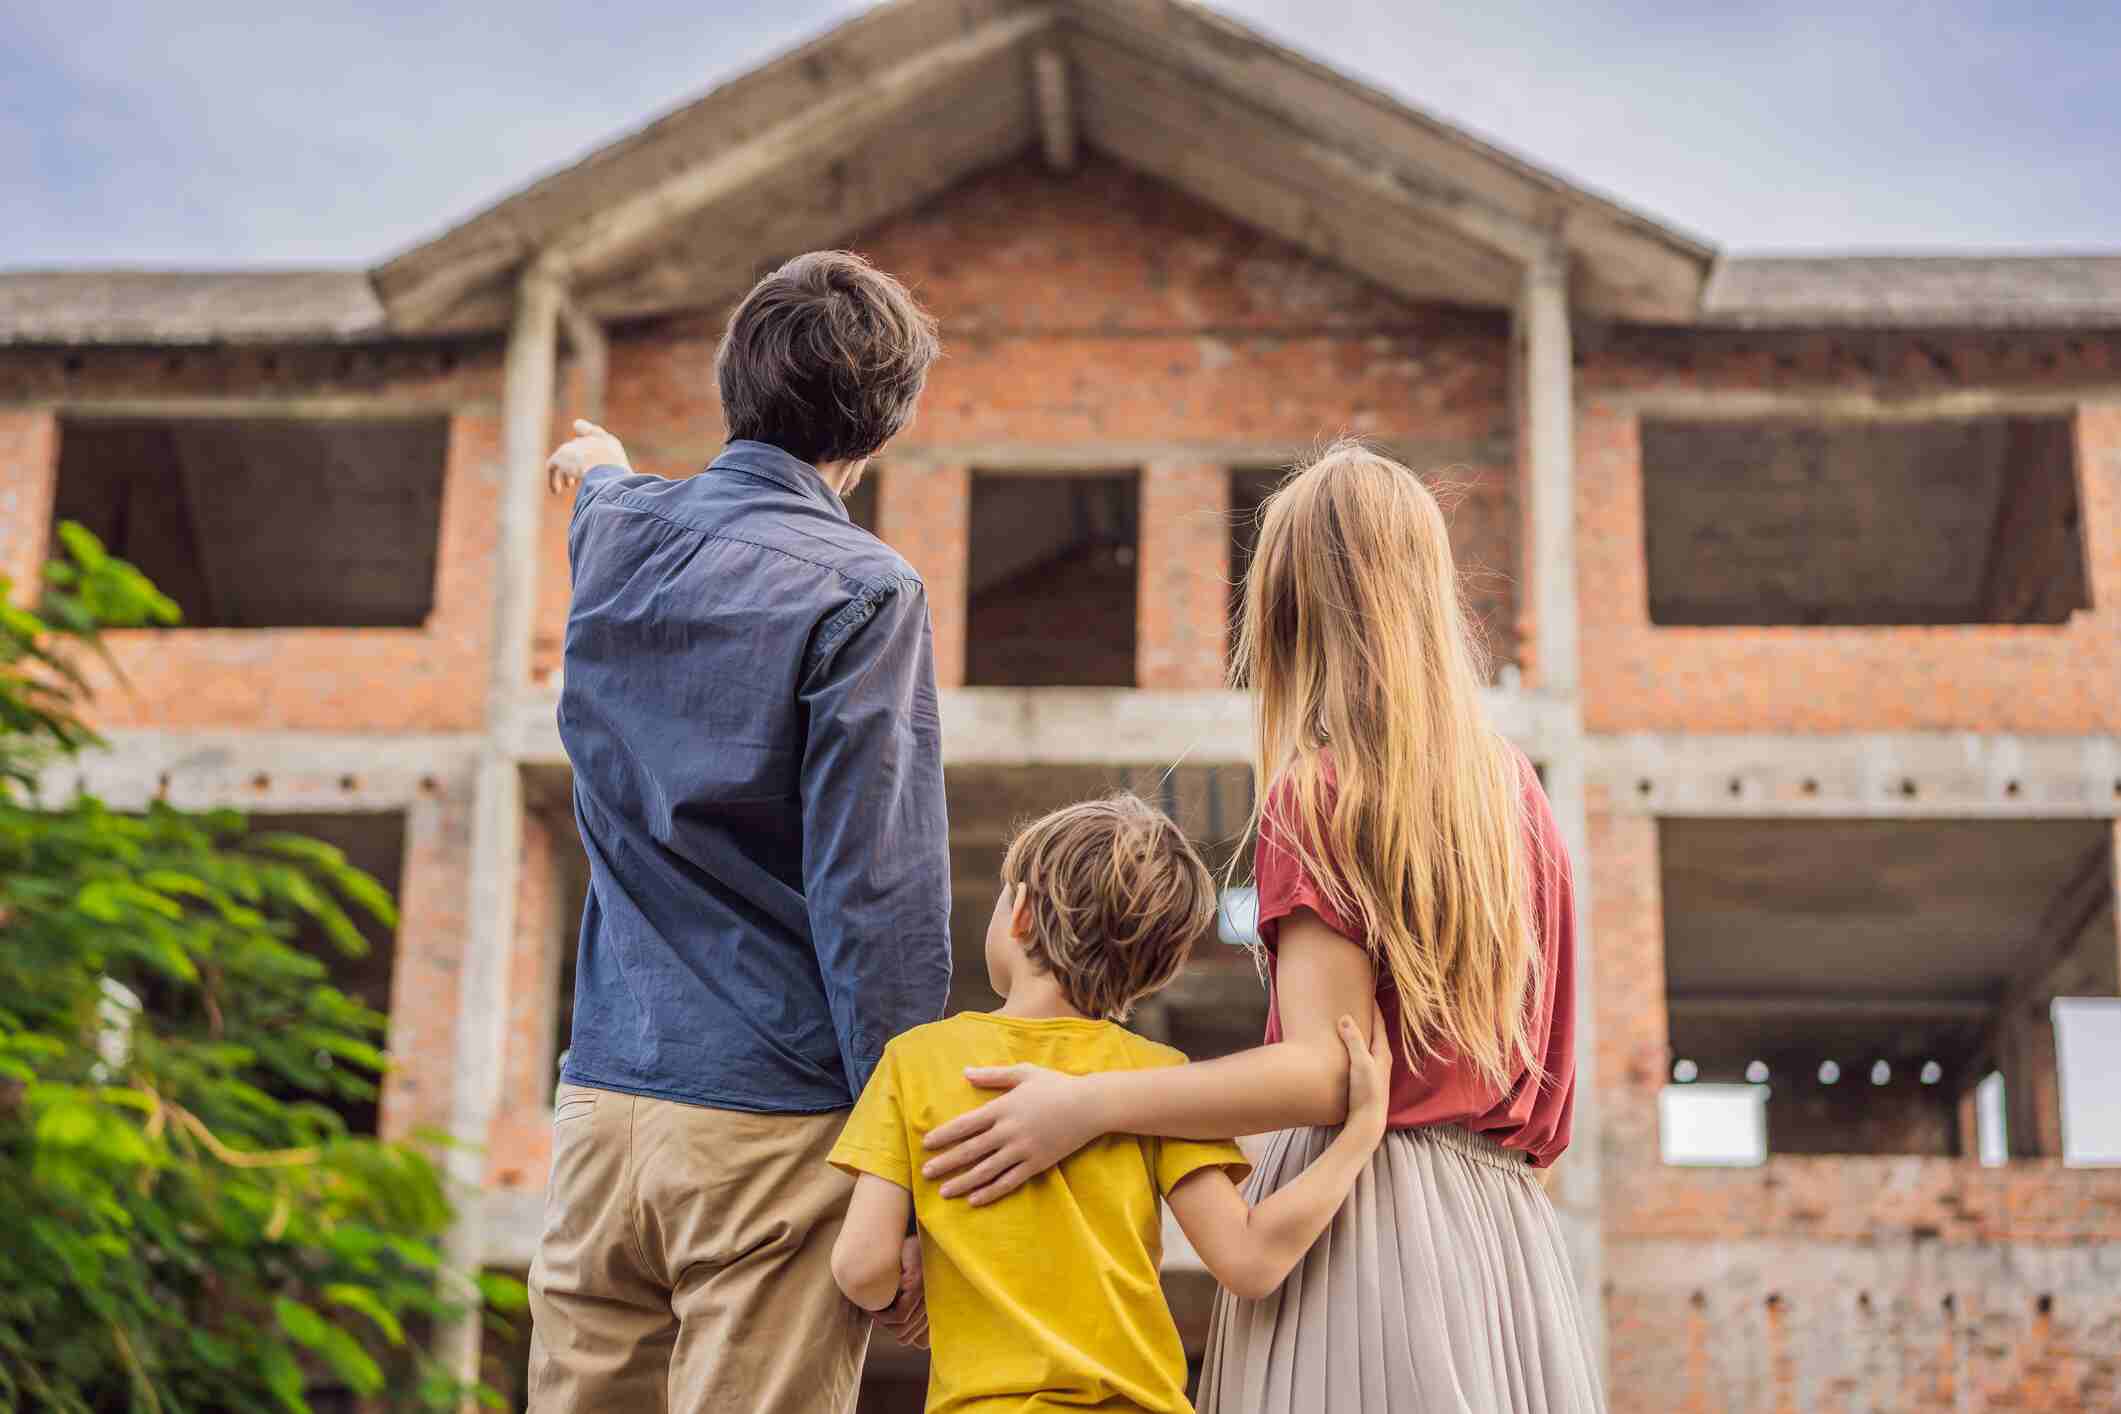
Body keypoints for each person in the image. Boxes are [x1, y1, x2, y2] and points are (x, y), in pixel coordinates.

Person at [919, 441, 1604, 1411]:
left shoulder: (1323, 790)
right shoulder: (1513, 790)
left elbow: (1327, 1067)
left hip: (1365, 1227)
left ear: (1286, 607)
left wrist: (1089, 1101)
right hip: (1500, 1237)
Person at [528, 250, 952, 1413]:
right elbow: (879, 899)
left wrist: (599, 462)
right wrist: (902, 1166)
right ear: (881, 429)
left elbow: (607, 488)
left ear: (735, 382)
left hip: (602, 1109)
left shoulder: (617, 537)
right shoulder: (866, 590)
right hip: (770, 1124)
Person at [827, 794, 1393, 1414]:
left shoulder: (919, 1060)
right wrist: (1359, 1135)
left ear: (1019, 915)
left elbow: (862, 1264)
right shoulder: (1158, 1082)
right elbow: (1250, 1259)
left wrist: (921, 1278)